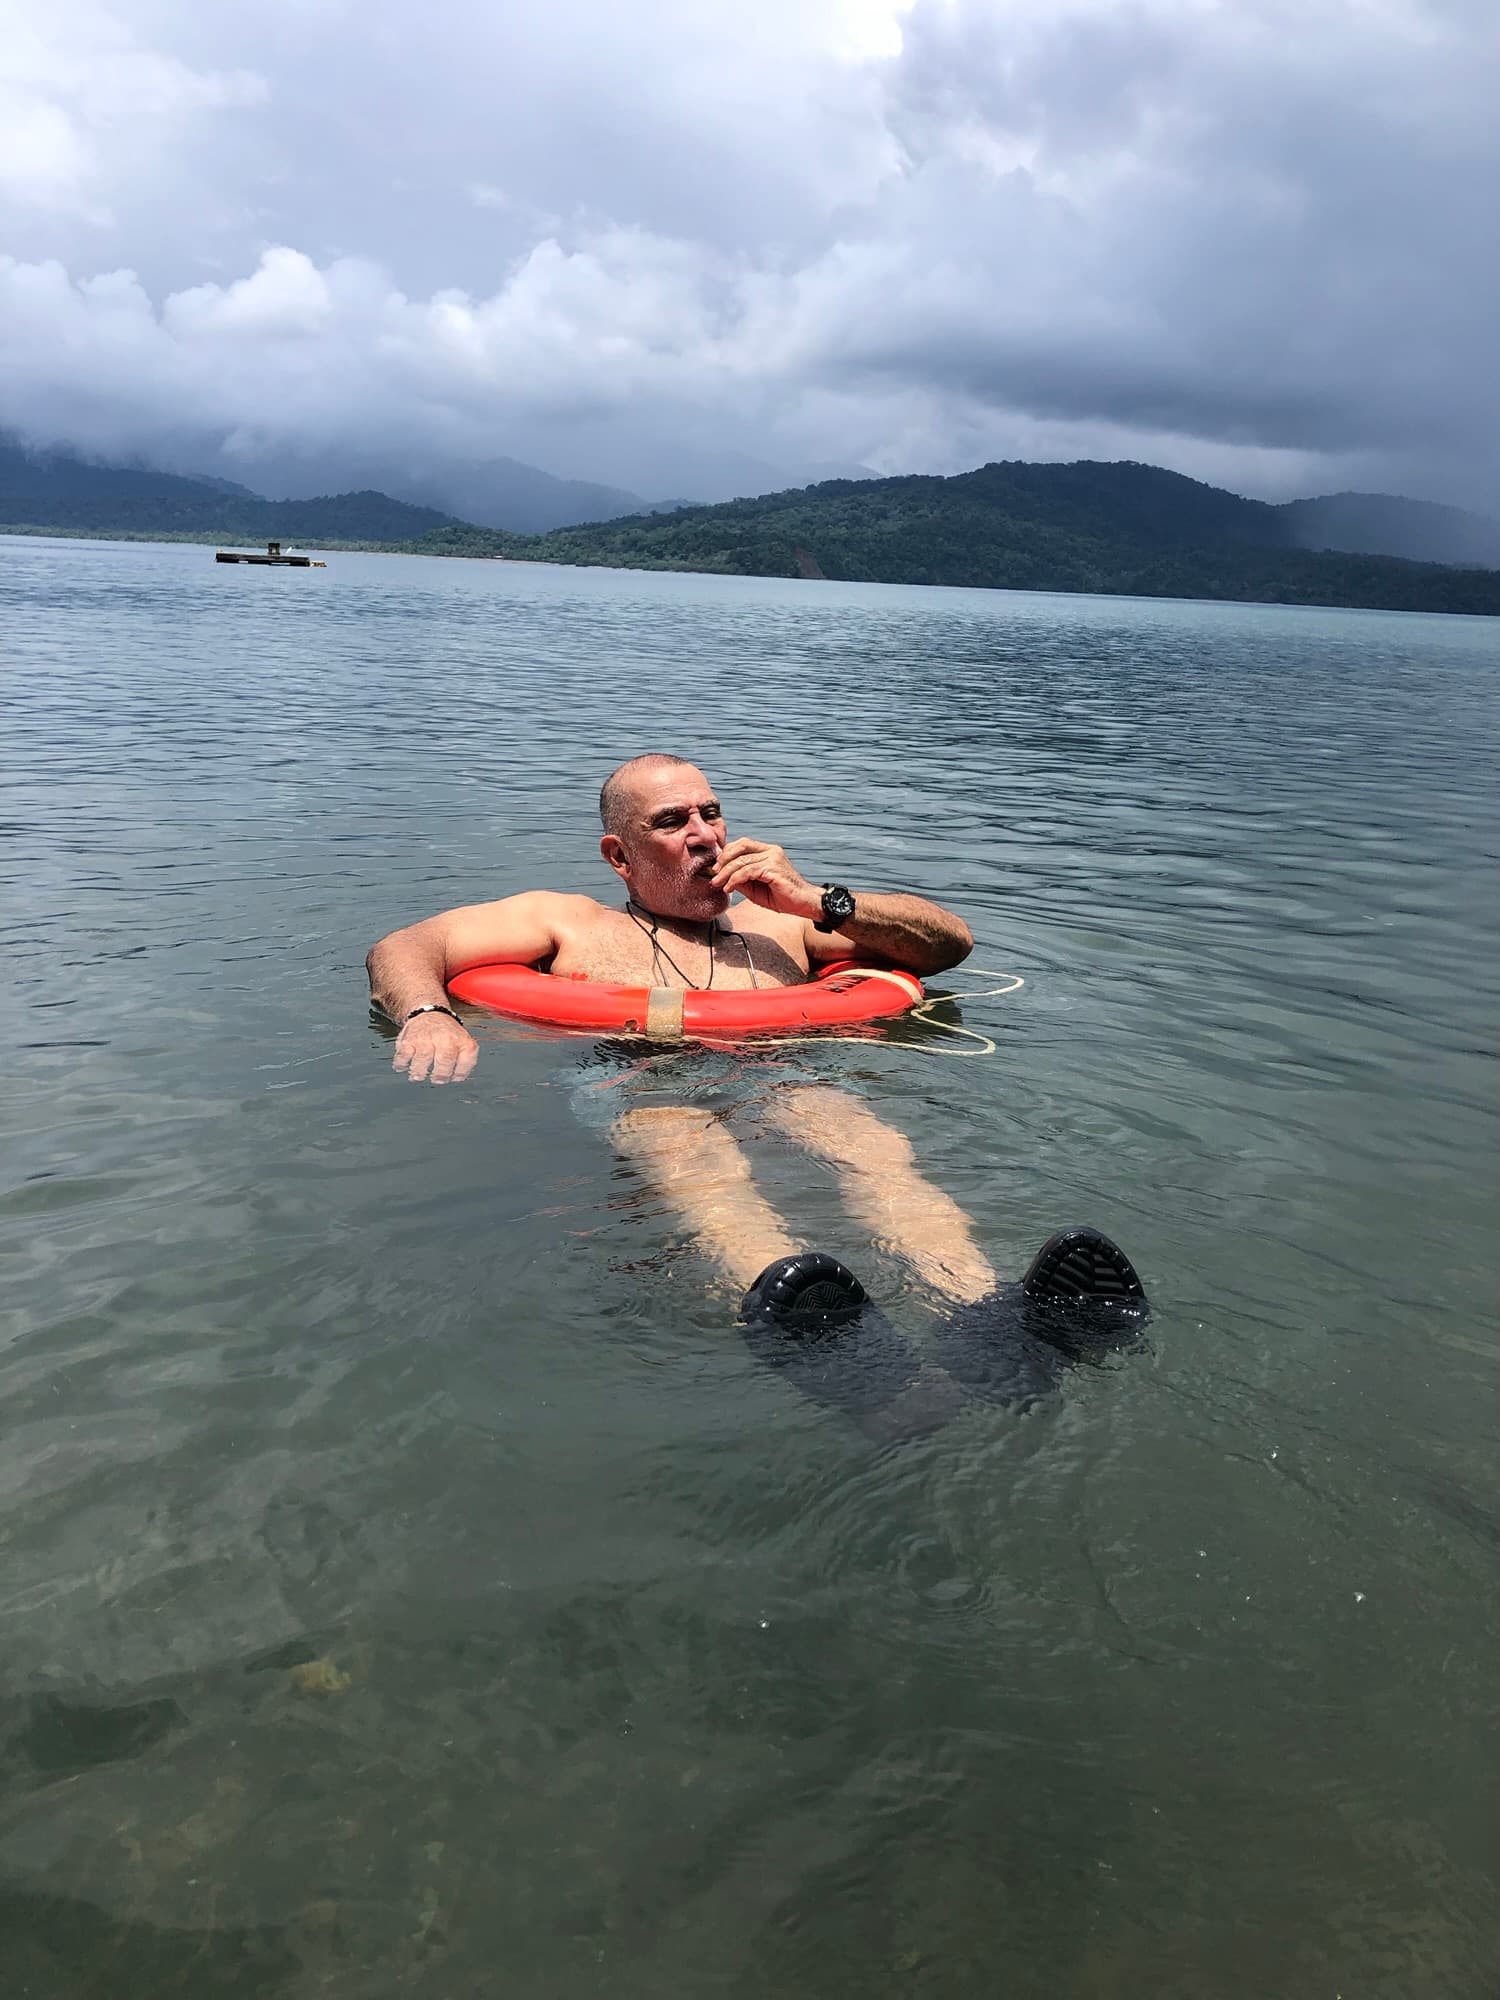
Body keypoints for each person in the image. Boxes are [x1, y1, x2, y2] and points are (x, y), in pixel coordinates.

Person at [367, 753, 1148, 1439]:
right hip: (641, 1076)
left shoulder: (783, 930)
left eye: (712, 812)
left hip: (785, 1074)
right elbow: (407, 946)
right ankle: (831, 1340)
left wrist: (819, 901)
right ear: (620, 854)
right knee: (687, 1147)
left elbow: (949, 942)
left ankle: (989, 1320)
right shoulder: (571, 923)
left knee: (865, 1144)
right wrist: (428, 1013)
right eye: (672, 822)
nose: (704, 834)